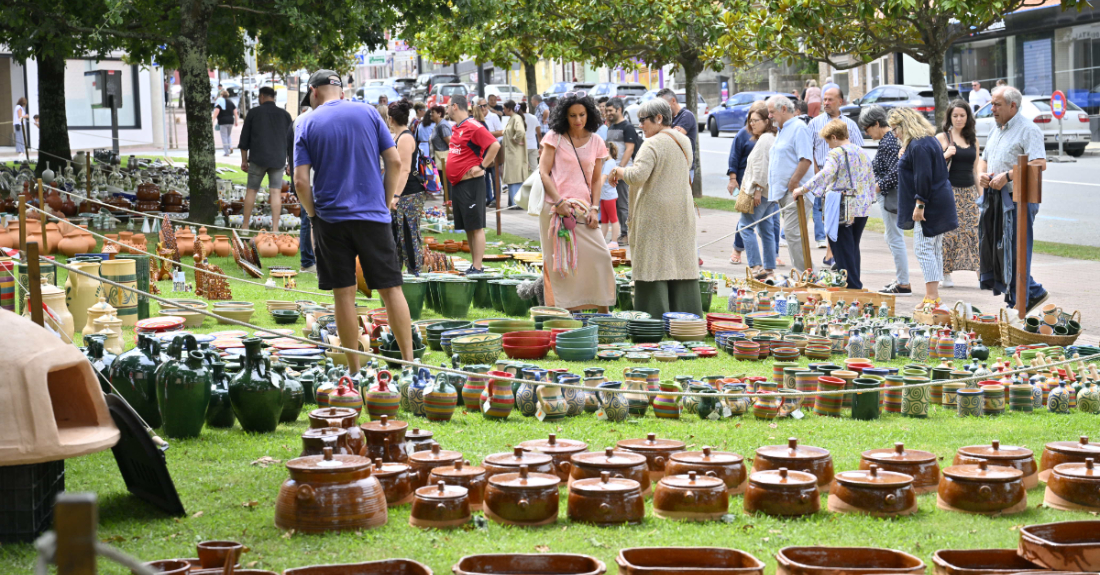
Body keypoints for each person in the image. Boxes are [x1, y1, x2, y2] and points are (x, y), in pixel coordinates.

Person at [293, 70, 413, 371]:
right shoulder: (369, 113)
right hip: (372, 216)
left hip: (330, 220)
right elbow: (395, 161)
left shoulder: (306, 122)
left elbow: (300, 182)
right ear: (341, 91)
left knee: (343, 295)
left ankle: (354, 371)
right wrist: (384, 204)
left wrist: (312, 214)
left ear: (313, 92)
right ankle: (410, 365)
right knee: (391, 288)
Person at [607, 97, 702, 317]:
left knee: (653, 262)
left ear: (659, 118)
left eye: (643, 120)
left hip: (655, 212)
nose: (640, 125)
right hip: (681, 210)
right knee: (680, 261)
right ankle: (686, 316)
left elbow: (637, 176)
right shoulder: (683, 140)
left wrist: (618, 171)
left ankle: (654, 318)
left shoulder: (652, 143)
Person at [537, 93, 616, 311]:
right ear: (564, 116)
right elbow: (544, 173)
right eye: (572, 115)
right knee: (561, 262)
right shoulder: (555, 137)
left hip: (583, 209)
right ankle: (566, 310)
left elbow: (596, 179)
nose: (578, 120)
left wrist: (594, 208)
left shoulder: (597, 141)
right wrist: (559, 201)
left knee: (601, 256)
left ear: (589, 114)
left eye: (582, 114)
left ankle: (603, 310)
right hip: (555, 208)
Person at [977, 85, 1048, 313]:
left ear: (1013, 106)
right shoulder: (995, 129)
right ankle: (1028, 293)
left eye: (997, 104)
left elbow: (1039, 163)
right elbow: (984, 158)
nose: (992, 108)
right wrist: (983, 173)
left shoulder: (1028, 130)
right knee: (1001, 253)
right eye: (991, 103)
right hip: (997, 199)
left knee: (1015, 252)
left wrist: (1007, 175)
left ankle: (1021, 301)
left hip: (1019, 200)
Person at [793, 119, 876, 289]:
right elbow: (871, 178)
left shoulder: (836, 153)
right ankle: (854, 282)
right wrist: (870, 199)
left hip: (843, 206)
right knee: (853, 246)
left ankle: (851, 285)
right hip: (862, 206)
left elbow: (826, 173)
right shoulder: (861, 151)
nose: (829, 146)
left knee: (841, 247)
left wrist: (803, 189)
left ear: (834, 137)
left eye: (828, 142)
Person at [890, 107, 958, 310]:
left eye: (895, 129)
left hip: (929, 202)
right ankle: (933, 296)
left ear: (904, 125)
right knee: (933, 248)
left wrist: (920, 204)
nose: (895, 134)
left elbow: (923, 176)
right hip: (939, 200)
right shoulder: (927, 140)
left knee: (923, 248)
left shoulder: (918, 146)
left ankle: (931, 296)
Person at [859, 105, 912, 295]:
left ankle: (903, 282)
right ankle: (901, 278)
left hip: (890, 196)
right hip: (890, 195)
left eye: (867, 129)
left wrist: (877, 187)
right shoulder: (888, 141)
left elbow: (897, 171)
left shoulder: (888, 142)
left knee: (894, 238)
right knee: (891, 237)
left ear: (876, 123)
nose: (866, 133)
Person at [446, 94, 500, 274]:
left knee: (476, 226)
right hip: (458, 185)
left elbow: (495, 145)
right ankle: (474, 265)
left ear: (455, 106)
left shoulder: (473, 126)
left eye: (447, 105)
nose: (446, 109)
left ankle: (478, 266)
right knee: (468, 226)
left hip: (471, 184)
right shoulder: (457, 127)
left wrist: (482, 166)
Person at [808, 84, 864, 256]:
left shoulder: (850, 125)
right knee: (823, 214)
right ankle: (828, 249)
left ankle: (834, 254)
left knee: (840, 220)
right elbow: (809, 151)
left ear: (840, 101)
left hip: (844, 184)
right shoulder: (814, 124)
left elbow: (858, 152)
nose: (826, 103)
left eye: (830, 99)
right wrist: (818, 174)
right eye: (824, 99)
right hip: (822, 177)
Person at [765, 94, 814, 273]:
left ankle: (806, 275)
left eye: (772, 112)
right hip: (785, 193)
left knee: (793, 234)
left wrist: (794, 183)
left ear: (783, 109)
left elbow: (806, 159)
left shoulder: (798, 128)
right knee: (793, 235)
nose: (769, 116)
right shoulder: (783, 129)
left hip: (796, 192)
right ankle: (804, 274)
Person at [936, 99, 981, 288]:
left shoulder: (973, 140)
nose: (959, 119)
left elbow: (975, 169)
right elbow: (934, 166)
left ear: (968, 117)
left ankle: (982, 275)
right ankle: (946, 273)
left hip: (969, 192)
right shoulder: (942, 138)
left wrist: (981, 195)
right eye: (955, 115)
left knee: (974, 233)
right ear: (949, 117)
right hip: (949, 193)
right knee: (949, 234)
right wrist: (946, 153)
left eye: (962, 115)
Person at [239, 86, 293, 231]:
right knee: (275, 192)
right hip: (278, 160)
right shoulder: (285, 115)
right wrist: (289, 162)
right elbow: (290, 141)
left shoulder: (254, 113)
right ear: (273, 97)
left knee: (251, 191)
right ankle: (275, 229)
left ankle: (245, 227)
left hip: (258, 158)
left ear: (262, 97)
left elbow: (244, 140)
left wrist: (244, 160)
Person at [735, 106, 779, 281]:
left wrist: (758, 190)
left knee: (745, 227)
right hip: (771, 192)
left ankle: (756, 267)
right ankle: (769, 268)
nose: (752, 124)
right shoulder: (772, 137)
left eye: (756, 120)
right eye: (750, 121)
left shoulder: (765, 139)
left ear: (766, 121)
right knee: (766, 229)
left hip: (761, 192)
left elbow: (761, 167)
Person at [386, 100, 427, 275]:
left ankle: (414, 273)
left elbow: (404, 170)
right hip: (400, 194)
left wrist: (395, 195)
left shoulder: (405, 138)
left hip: (408, 194)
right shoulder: (397, 136)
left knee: (409, 235)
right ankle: (398, 273)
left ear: (391, 119)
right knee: (396, 236)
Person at [604, 98, 640, 244]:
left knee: (624, 204)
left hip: (623, 172)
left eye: (610, 110)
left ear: (619, 110)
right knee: (616, 204)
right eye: (607, 111)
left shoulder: (628, 127)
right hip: (613, 171)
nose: (608, 113)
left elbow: (629, 149)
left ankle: (626, 235)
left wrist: (619, 170)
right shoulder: (611, 127)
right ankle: (621, 233)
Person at [656, 88, 698, 181]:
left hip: (684, 168)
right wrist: (670, 131)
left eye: (663, 105)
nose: (661, 109)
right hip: (670, 168)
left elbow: (673, 139)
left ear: (673, 101)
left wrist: (666, 133)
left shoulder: (687, 115)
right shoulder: (667, 118)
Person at [501, 100, 528, 206]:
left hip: (515, 154)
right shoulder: (513, 118)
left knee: (515, 178)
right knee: (513, 178)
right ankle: (513, 202)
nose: (503, 110)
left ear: (509, 108)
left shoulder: (516, 118)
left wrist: (515, 140)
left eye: (504, 108)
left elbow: (520, 131)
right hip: (512, 153)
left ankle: (516, 203)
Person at [477, 98, 504, 204]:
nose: (483, 108)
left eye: (484, 105)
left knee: (495, 176)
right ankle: (488, 198)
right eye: (480, 106)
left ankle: (496, 200)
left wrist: (487, 135)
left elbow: (501, 132)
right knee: (484, 176)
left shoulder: (493, 117)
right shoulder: (477, 118)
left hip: (493, 149)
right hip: (482, 150)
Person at [598, 143, 621, 245]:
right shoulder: (607, 162)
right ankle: (602, 241)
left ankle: (614, 241)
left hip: (609, 196)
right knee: (604, 220)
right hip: (605, 196)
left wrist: (594, 190)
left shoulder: (609, 163)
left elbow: (603, 178)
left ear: (606, 150)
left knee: (613, 218)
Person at [429, 105, 452, 191]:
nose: (431, 114)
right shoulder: (438, 125)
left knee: (446, 181)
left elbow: (450, 143)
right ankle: (447, 200)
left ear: (439, 114)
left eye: (433, 112)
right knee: (443, 181)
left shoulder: (442, 126)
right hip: (439, 158)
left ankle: (449, 201)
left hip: (443, 158)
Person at [212, 89, 238, 156]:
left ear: (221, 95)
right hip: (230, 121)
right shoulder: (231, 102)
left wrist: (213, 120)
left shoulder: (219, 102)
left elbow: (216, 111)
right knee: (228, 135)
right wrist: (236, 121)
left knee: (224, 136)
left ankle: (226, 152)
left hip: (223, 121)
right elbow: (235, 112)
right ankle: (231, 147)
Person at [520, 102, 540, 175]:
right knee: (534, 168)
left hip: (521, 145)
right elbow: (539, 133)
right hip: (533, 145)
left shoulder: (518, 118)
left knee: (522, 168)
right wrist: (540, 146)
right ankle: (535, 184)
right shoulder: (534, 117)